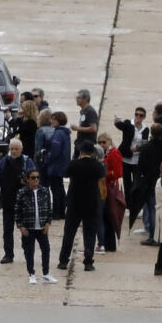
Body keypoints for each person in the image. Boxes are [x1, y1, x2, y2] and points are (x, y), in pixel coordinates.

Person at [60, 129, 104, 273]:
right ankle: (88, 262)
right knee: (90, 233)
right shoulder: (98, 166)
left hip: (74, 203)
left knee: (69, 233)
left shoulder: (74, 164)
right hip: (91, 203)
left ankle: (63, 261)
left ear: (80, 151)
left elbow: (65, 173)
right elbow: (101, 180)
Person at [0, 136, 29, 265]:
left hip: (23, 202)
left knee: (25, 229)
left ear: (21, 149)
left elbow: (35, 179)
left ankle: (28, 252)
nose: (13, 151)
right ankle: (8, 254)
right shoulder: (3, 162)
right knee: (7, 230)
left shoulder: (27, 162)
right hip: (7, 200)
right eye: (11, 149)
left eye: (16, 149)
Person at [13, 166, 55, 282]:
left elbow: (49, 209)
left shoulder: (45, 191)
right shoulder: (22, 193)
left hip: (42, 227)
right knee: (29, 251)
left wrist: (48, 223)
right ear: (27, 179)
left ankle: (46, 273)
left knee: (46, 249)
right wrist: (20, 226)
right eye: (33, 178)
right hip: (28, 227)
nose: (35, 180)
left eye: (37, 177)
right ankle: (31, 273)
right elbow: (17, 210)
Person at [39, 112, 72, 218]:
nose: (51, 121)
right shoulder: (65, 133)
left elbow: (55, 152)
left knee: (56, 189)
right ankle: (61, 210)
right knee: (59, 188)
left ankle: (57, 212)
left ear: (59, 120)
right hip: (62, 165)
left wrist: (46, 158)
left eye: (53, 119)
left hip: (56, 166)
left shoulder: (58, 134)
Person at [98, 134, 126, 257]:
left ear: (109, 141)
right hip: (106, 186)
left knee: (108, 216)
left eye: (104, 142)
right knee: (107, 217)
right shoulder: (107, 153)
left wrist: (104, 174)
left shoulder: (114, 153)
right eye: (99, 142)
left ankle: (108, 243)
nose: (101, 145)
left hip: (109, 187)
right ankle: (108, 244)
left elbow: (118, 172)